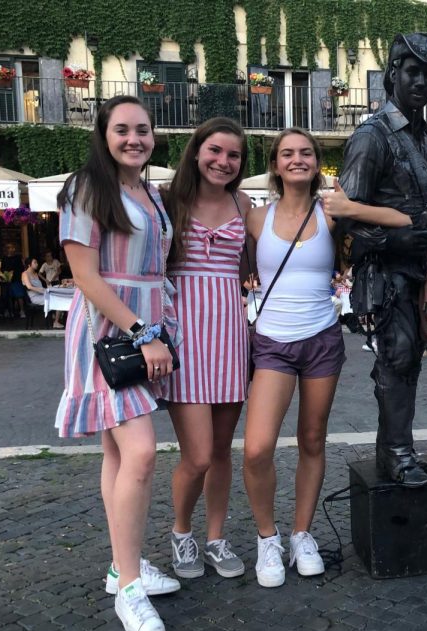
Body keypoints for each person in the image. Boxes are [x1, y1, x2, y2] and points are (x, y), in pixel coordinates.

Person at [55, 95, 181, 631]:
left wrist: (160, 329)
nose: (135, 138)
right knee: (141, 451)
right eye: (123, 129)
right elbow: (85, 277)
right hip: (110, 336)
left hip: (143, 331)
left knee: (115, 452)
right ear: (103, 135)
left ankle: (118, 568)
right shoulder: (87, 188)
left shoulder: (150, 193)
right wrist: (143, 332)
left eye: (143, 130)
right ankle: (129, 586)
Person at [337, 33, 427, 487]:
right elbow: (344, 220)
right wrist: (395, 240)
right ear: (392, 74)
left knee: (410, 360)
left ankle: (397, 448)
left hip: (419, 271)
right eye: (412, 71)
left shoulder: (424, 139)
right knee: (397, 358)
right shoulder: (371, 137)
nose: (421, 81)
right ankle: (397, 453)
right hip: (384, 272)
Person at [243, 128, 348, 588]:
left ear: (317, 162)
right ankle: (268, 538)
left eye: (306, 152)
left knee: (312, 440)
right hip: (271, 342)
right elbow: (241, 267)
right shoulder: (254, 217)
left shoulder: (334, 214)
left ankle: (302, 533)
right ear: (275, 164)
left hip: (322, 338)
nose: (297, 159)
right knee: (257, 447)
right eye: (288, 153)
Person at [160, 117, 252, 581]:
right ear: (197, 151)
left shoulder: (245, 202)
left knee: (221, 452)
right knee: (195, 455)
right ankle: (181, 533)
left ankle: (215, 538)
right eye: (215, 151)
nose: (223, 161)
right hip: (183, 337)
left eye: (233, 155)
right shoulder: (167, 201)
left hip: (231, 336)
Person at [0, 242, 27, 318]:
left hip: (17, 279)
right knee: (7, 296)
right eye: (10, 248)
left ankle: (22, 311)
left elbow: (22, 268)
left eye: (13, 247)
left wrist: (14, 272)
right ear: (7, 249)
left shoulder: (18, 257)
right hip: (8, 279)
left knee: (19, 295)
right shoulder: (4, 258)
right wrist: (6, 272)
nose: (12, 249)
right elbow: (2, 268)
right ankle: (9, 311)